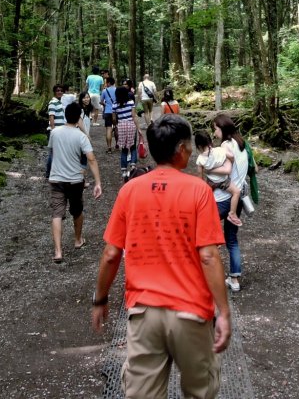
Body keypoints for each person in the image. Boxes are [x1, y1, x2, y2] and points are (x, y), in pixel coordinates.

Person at [90, 114, 231, 398]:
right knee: (200, 392)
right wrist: (223, 312)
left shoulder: (130, 190)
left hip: (144, 314)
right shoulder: (199, 191)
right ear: (180, 149)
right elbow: (208, 256)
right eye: (189, 145)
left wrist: (100, 299)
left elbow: (111, 254)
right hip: (191, 312)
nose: (191, 150)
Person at [48, 102, 102, 264]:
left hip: (56, 179)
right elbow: (91, 158)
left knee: (57, 213)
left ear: (65, 115)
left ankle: (58, 251)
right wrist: (98, 182)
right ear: (79, 117)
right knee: (77, 210)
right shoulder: (81, 136)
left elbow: (51, 153)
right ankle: (78, 240)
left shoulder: (54, 133)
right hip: (75, 180)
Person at [211, 114, 248, 293]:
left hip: (223, 199)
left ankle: (205, 273)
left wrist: (206, 167)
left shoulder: (226, 146)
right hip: (238, 198)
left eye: (216, 129)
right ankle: (234, 279)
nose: (214, 132)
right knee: (232, 239)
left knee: (205, 233)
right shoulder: (242, 143)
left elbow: (225, 172)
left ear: (222, 128)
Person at [194, 130, 242, 227]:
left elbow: (200, 176)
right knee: (236, 192)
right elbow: (231, 156)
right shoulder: (219, 151)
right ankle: (232, 214)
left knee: (205, 200)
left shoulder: (200, 159)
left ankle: (200, 214)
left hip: (211, 182)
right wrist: (228, 162)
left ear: (198, 146)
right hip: (223, 181)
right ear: (210, 141)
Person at [114, 85, 143, 181]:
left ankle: (123, 170)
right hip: (130, 125)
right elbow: (134, 116)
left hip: (121, 126)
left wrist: (116, 126)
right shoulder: (131, 102)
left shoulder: (115, 104)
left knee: (124, 148)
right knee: (133, 147)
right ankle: (133, 167)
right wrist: (138, 128)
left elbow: (114, 118)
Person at [100, 76, 117, 153]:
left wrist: (105, 104)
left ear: (109, 83)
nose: (105, 84)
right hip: (116, 112)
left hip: (107, 111)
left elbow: (101, 101)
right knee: (116, 127)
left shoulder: (104, 91)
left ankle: (109, 148)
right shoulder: (117, 90)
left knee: (108, 129)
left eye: (106, 82)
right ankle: (117, 144)